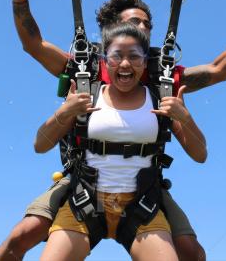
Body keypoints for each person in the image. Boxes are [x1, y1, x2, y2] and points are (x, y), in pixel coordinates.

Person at [0, 0, 226, 261]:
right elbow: (33, 45)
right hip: (84, 187)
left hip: (141, 195)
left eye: (146, 24)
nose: (141, 28)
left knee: (192, 254)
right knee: (20, 236)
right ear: (113, 28)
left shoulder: (162, 76)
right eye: (133, 22)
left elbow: (217, 71)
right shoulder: (84, 68)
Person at [35, 23, 207, 260]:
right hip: (86, 203)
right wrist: (65, 112)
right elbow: (40, 145)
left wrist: (185, 118)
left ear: (145, 63)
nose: (125, 64)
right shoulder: (86, 95)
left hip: (140, 206)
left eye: (134, 57)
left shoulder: (161, 100)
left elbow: (200, 155)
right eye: (117, 56)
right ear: (105, 62)